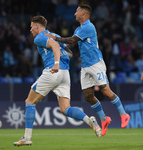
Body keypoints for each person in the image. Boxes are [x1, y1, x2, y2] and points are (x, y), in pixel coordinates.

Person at [13, 15, 101, 147]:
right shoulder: (54, 34)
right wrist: (60, 59)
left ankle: (27, 137)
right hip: (65, 74)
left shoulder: (40, 37)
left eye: (31, 27)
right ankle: (89, 120)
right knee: (65, 109)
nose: (30, 30)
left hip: (53, 71)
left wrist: (56, 63)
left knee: (29, 101)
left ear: (37, 26)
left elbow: (53, 45)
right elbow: (69, 53)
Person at [45, 4, 130, 136]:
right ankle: (104, 119)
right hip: (85, 66)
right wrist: (57, 46)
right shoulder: (79, 29)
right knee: (88, 96)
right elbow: (70, 43)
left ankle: (124, 115)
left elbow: (72, 41)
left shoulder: (88, 27)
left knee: (105, 89)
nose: (74, 14)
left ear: (83, 14)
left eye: (77, 11)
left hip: (96, 63)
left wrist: (55, 38)